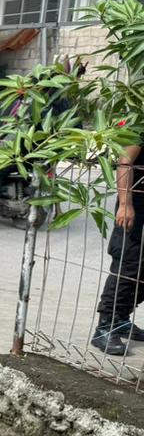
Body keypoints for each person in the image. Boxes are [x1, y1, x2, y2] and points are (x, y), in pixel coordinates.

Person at [91, 142, 144, 355]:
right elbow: (125, 160)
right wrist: (125, 204)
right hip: (136, 204)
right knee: (128, 263)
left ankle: (121, 319)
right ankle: (105, 326)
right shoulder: (139, 118)